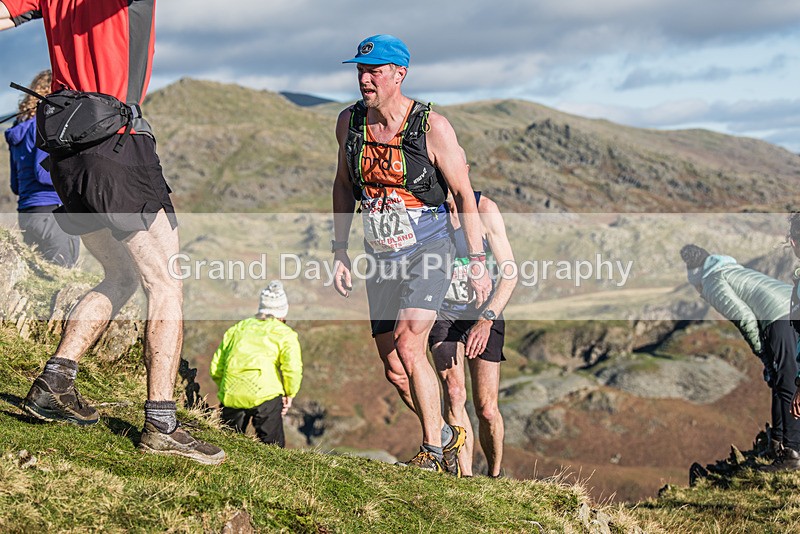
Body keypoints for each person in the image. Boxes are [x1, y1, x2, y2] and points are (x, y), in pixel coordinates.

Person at [0, 1, 225, 464]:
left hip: (66, 155)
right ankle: (162, 422)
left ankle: (55, 383)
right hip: (116, 141)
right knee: (165, 282)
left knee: (121, 276)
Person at [331, 34, 492, 475]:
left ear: (400, 74)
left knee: (408, 342)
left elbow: (462, 193)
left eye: (375, 71)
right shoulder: (350, 123)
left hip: (430, 246)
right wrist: (339, 249)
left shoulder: (432, 127)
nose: (366, 79)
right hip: (380, 251)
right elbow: (344, 185)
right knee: (394, 368)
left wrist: (475, 261)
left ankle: (430, 453)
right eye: (361, 70)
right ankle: (443, 434)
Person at [680, 244, 799, 471]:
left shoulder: (712, 281)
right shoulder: (730, 268)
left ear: (696, 280)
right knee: (784, 380)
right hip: (791, 306)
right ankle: (779, 443)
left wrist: (763, 354)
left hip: (779, 317)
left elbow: (744, 318)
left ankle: (792, 454)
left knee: (785, 382)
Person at [429, 184, 517, 478]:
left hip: (484, 311)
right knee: (454, 393)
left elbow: (510, 273)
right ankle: (465, 478)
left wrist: (487, 319)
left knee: (487, 409)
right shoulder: (428, 210)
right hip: (443, 311)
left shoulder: (485, 210)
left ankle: (494, 475)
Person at [210, 281, 303, 448]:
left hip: (232, 393)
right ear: (283, 312)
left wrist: (225, 387)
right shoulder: (285, 333)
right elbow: (292, 368)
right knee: (273, 448)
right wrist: (290, 393)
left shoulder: (237, 328)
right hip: (266, 395)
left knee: (226, 443)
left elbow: (216, 367)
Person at [5, 69, 79, 267]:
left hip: (27, 215)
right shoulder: (44, 125)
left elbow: (15, 185)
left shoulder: (19, 129)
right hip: (51, 214)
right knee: (63, 275)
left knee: (41, 279)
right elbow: (42, 172)